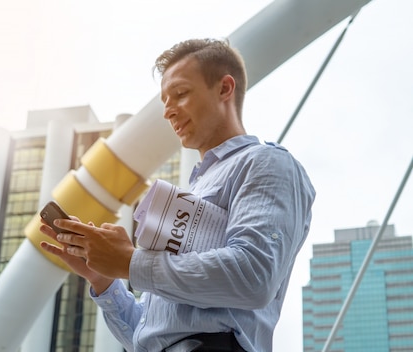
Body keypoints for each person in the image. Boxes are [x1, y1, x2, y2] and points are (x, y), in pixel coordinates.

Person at [39, 38, 315, 352]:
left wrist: (130, 262)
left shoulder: (266, 163)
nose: (168, 112)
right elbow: (148, 336)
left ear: (225, 89)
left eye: (180, 94)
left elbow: (254, 275)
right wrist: (103, 279)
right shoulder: (191, 191)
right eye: (164, 101)